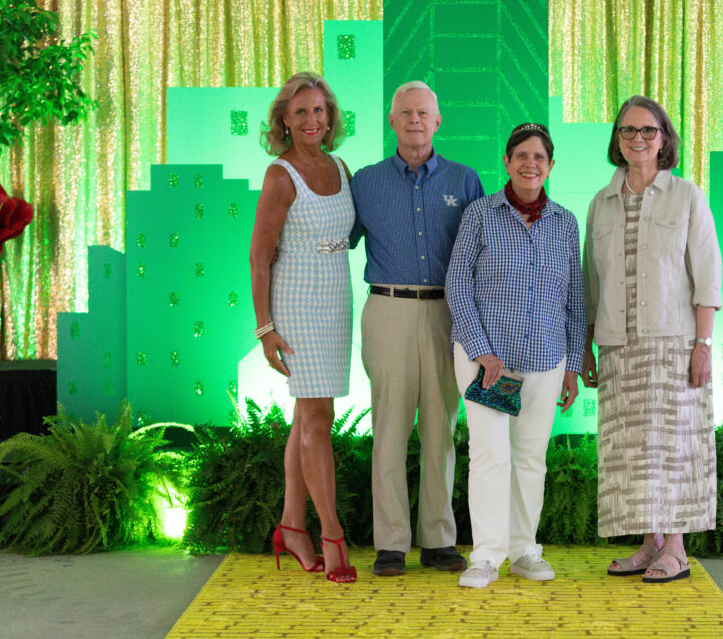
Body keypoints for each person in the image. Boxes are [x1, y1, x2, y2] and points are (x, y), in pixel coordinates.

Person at [581, 95, 722, 583]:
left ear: (664, 139)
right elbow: (589, 282)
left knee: (673, 446)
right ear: (616, 140)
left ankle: (677, 549)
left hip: (673, 344)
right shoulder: (600, 203)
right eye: (628, 131)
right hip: (617, 344)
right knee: (632, 450)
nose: (637, 139)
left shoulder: (686, 196)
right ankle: (648, 544)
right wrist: (587, 345)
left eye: (648, 130)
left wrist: (702, 345)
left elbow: (707, 276)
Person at [351, 81, 484, 576]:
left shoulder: (465, 181)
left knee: (440, 429)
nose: (414, 120)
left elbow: (482, 256)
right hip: (387, 309)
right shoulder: (364, 182)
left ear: (438, 120)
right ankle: (390, 543)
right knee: (388, 428)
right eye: (404, 112)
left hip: (448, 313)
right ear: (391, 121)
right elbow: (334, 239)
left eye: (423, 112)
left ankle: (438, 539)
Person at [446, 123, 586, 589]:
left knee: (531, 456)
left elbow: (575, 297)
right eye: (521, 155)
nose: (530, 164)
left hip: (545, 358)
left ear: (550, 166)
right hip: (488, 360)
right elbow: (457, 284)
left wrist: (571, 364)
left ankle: (525, 549)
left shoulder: (565, 222)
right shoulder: (480, 215)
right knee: (489, 456)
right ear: (506, 162)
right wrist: (481, 349)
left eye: (539, 157)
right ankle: (485, 555)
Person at [249, 71, 357, 583]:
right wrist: (264, 328)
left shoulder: (341, 166)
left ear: (329, 117)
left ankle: (292, 526)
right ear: (284, 123)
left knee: (309, 417)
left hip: (336, 300)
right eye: (300, 113)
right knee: (317, 420)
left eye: (319, 111)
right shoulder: (279, 175)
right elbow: (259, 257)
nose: (311, 120)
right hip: (295, 305)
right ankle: (331, 534)